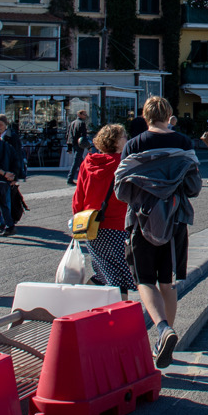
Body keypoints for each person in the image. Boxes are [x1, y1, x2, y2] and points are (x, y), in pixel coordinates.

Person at [115, 95, 200, 369]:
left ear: (145, 115)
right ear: (169, 114)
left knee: (145, 280)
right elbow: (193, 187)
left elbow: (121, 189)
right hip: (175, 221)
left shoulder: (134, 144)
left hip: (142, 221)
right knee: (168, 281)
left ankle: (163, 329)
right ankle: (167, 336)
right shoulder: (184, 143)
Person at [72, 124, 134, 297]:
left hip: (91, 225)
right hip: (116, 225)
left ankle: (80, 299)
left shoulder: (88, 162)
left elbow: (79, 196)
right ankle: (119, 315)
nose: (127, 140)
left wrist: (78, 219)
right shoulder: (123, 164)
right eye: (124, 137)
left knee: (104, 271)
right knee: (119, 277)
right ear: (115, 141)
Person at [66, 109, 89, 185]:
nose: (86, 116)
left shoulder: (72, 123)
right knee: (76, 162)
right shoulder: (81, 123)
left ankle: (85, 177)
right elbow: (83, 137)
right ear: (80, 115)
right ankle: (70, 178)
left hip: (74, 144)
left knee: (80, 162)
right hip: (79, 145)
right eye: (84, 115)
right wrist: (88, 147)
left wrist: (69, 147)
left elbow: (69, 135)